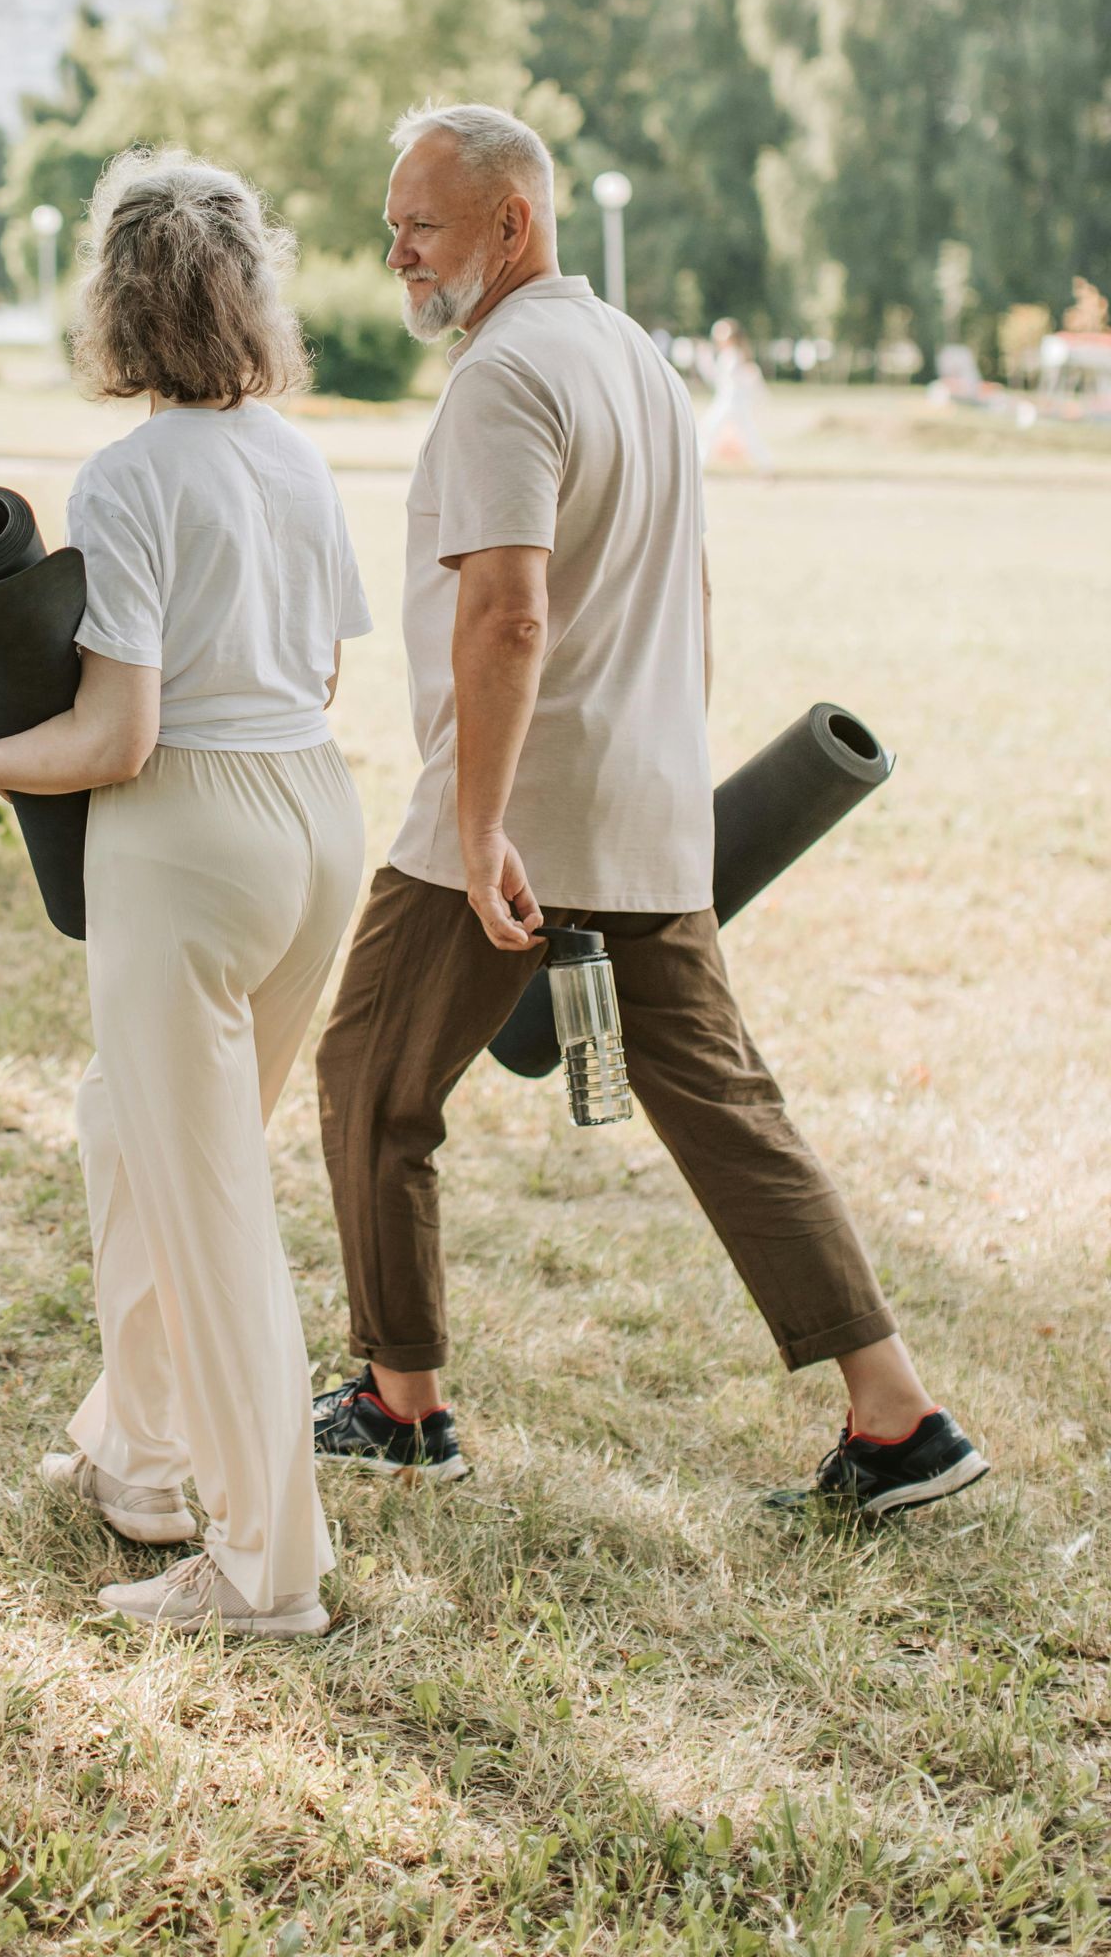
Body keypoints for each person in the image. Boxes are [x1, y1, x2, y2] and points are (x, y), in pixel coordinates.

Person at [312, 102, 987, 1518]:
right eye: (392, 227)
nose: (397, 255)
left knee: (371, 1079)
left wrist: (480, 822)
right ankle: (898, 1418)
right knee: (733, 1114)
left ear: (512, 224)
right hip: (643, 808)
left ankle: (401, 1402)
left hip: (510, 820)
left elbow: (505, 617)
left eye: (420, 226)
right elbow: (682, 593)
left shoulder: (503, 377)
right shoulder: (631, 355)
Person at [0, 151, 370, 1634]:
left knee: (208, 1205)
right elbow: (320, 668)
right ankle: (136, 1458)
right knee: (126, 1129)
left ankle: (266, 1573)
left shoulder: (126, 475)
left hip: (189, 834)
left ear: (115, 302)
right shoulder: (298, 456)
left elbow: (117, 734)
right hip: (319, 819)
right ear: (249, 292)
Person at [698, 316, 775, 473]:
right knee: (744, 433)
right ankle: (766, 465)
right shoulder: (732, 355)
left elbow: (724, 379)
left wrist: (704, 360)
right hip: (731, 402)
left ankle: (699, 464)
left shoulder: (732, 355)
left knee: (710, 430)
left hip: (731, 403)